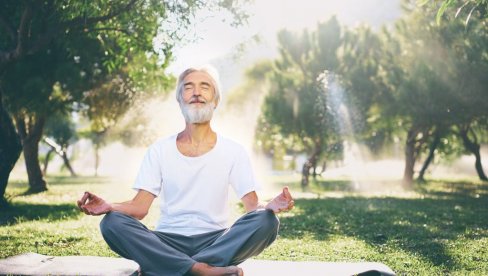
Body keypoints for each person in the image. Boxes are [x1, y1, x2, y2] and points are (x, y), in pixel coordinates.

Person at [77, 65, 295, 276]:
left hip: (217, 241)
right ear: (180, 99)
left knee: (267, 221)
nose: (197, 92)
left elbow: (252, 206)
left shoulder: (233, 151)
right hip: (166, 241)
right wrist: (109, 206)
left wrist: (270, 206)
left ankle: (167, 267)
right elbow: (139, 207)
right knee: (112, 223)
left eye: (205, 87)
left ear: (216, 100)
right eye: (188, 87)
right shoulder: (159, 150)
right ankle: (200, 270)